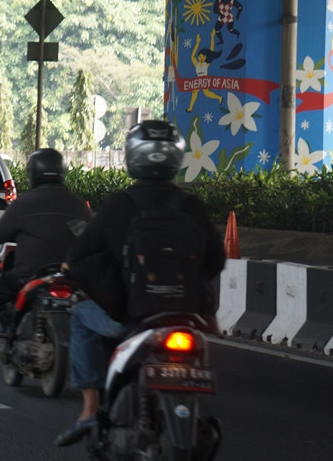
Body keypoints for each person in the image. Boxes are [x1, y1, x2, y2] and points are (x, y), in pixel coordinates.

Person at [54, 120, 226, 447]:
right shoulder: (190, 205)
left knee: (80, 317)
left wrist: (73, 267)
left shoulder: (121, 204)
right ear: (176, 157)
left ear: (133, 157)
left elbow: (81, 253)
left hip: (132, 316)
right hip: (188, 316)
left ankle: (89, 409)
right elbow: (216, 259)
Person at [0, 148, 92, 361]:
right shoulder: (78, 204)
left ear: (32, 173)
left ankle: (11, 326)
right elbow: (92, 237)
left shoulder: (23, 203)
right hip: (74, 277)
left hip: (28, 276)